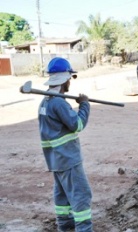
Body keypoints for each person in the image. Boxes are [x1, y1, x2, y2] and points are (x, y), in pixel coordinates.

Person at [38, 57, 93, 232]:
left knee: (62, 195)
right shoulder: (59, 103)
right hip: (68, 159)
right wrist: (84, 105)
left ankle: (65, 226)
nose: (70, 81)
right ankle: (83, 228)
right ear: (64, 78)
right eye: (70, 77)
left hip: (55, 160)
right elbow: (77, 124)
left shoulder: (44, 102)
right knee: (81, 195)